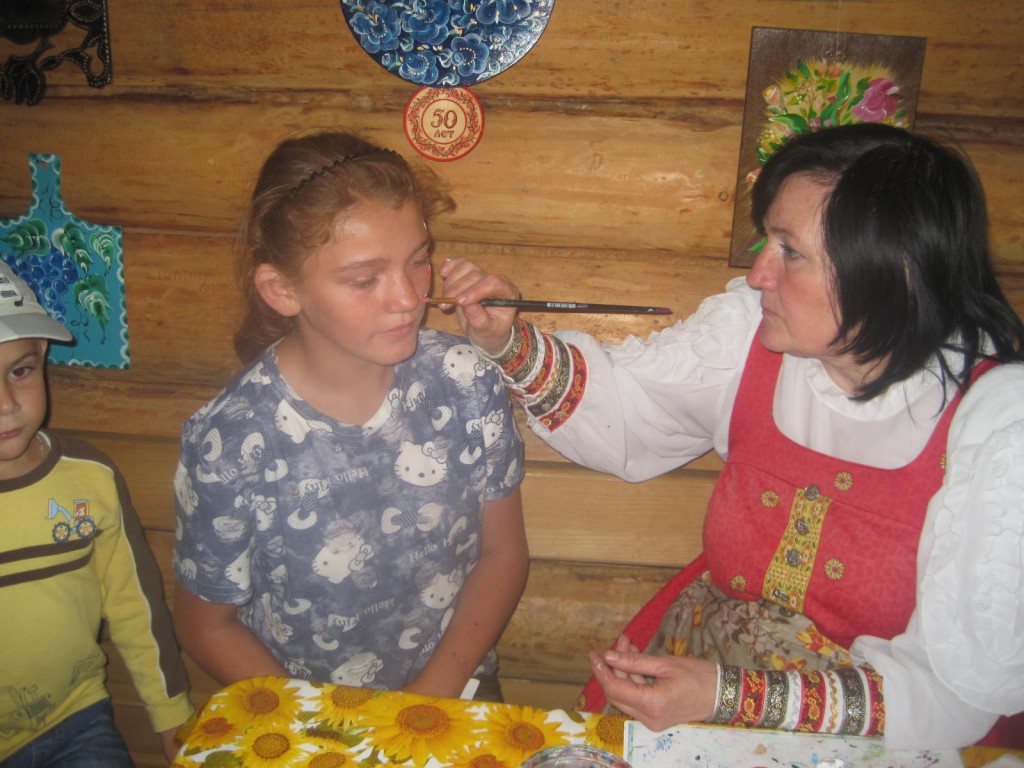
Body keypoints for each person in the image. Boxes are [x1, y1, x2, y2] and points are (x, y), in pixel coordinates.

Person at [439, 123, 1024, 748]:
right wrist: (508, 341)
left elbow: (955, 697)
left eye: (790, 251)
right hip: (704, 666)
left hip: (878, 742)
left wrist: (726, 694)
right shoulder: (752, 340)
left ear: (893, 270)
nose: (758, 274)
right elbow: (632, 416)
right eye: (767, 241)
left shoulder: (999, 426)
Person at [171, 130, 528, 702]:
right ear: (282, 290)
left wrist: (432, 694)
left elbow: (503, 554)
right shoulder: (233, 439)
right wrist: (325, 724)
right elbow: (205, 626)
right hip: (305, 717)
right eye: (364, 280)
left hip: (455, 691)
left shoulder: (465, 379)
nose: (408, 298)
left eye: (418, 261)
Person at [0, 261, 193, 766]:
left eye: (19, 372)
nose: (5, 403)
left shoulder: (90, 478)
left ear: (42, 355)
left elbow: (133, 603)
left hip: (78, 720)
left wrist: (171, 713)